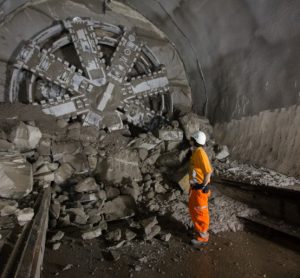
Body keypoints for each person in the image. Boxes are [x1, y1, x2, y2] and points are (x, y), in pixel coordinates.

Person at [188, 130, 213, 246]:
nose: (190, 141)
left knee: (200, 213)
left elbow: (208, 171)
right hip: (195, 187)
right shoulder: (196, 152)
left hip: (200, 189)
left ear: (195, 140)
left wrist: (204, 186)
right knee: (194, 210)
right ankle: (198, 231)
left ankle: (203, 238)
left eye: (192, 139)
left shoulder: (200, 152)